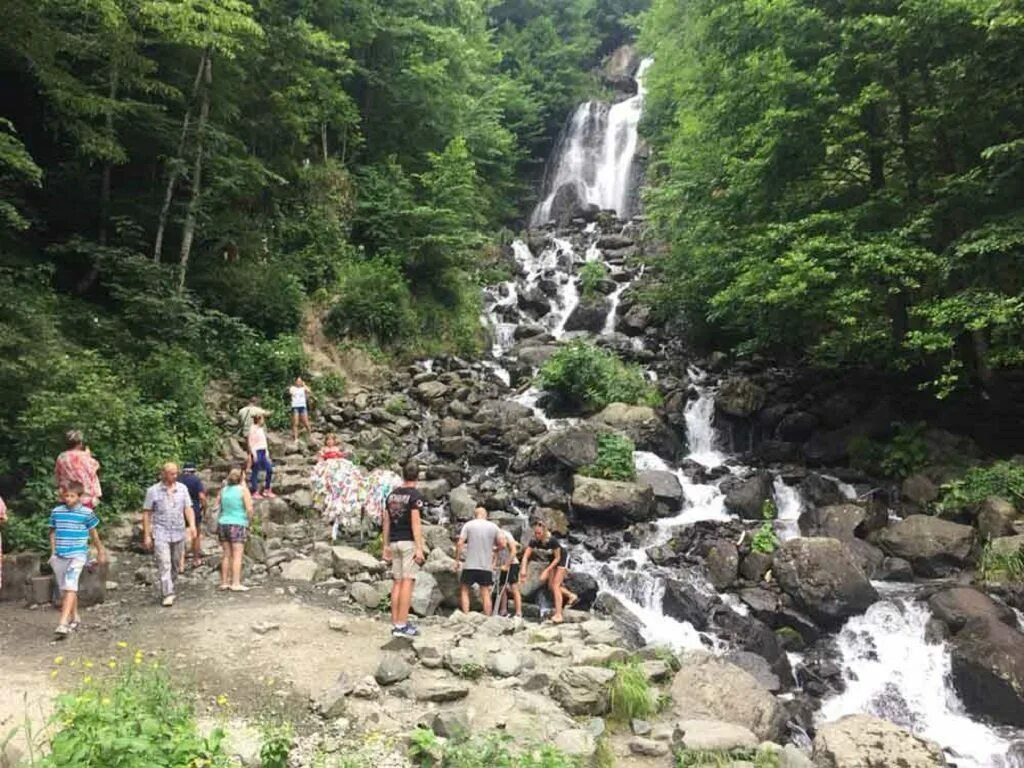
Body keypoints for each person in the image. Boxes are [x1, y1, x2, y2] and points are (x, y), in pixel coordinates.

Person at [49, 482, 107, 635]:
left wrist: (100, 550)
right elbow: (52, 532)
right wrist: (53, 551)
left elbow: (94, 533)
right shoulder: (57, 512)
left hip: (79, 553)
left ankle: (62, 622)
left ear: (80, 497)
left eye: (72, 496)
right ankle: (75, 617)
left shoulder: (86, 513)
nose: (68, 499)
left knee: (70, 584)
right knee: (67, 588)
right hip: (61, 554)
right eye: (66, 496)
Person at [142, 463, 197, 607]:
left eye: (175, 473)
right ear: (164, 474)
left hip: (178, 530)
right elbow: (147, 513)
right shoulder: (153, 491)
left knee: (176, 563)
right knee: (164, 562)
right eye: (171, 473)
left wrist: (192, 525)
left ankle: (170, 584)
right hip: (161, 531)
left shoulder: (182, 489)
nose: (175, 476)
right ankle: (168, 593)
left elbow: (188, 508)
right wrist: (147, 535)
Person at [381, 462, 425, 637]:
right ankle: (401, 624)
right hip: (408, 542)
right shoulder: (414, 496)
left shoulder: (392, 495)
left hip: (394, 541)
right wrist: (419, 548)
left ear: (403, 475)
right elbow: (416, 523)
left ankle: (395, 622)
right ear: (417, 476)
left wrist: (385, 545)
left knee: (397, 582)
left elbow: (386, 521)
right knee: (408, 581)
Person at [520, 519, 578, 624]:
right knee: (551, 586)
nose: (537, 535)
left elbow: (558, 558)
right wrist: (523, 570)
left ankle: (559, 614)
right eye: (536, 533)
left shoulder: (552, 540)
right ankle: (571, 596)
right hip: (552, 560)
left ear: (544, 532)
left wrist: (546, 570)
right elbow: (525, 556)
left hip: (562, 559)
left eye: (539, 533)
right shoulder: (534, 541)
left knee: (556, 585)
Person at [453, 507, 505, 615]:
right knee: (485, 592)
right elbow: (503, 544)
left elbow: (460, 543)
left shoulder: (469, 525)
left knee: (464, 589)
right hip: (485, 565)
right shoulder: (493, 526)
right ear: (485, 515)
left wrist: (457, 561)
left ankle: (466, 615)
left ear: (475, 515)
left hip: (470, 564)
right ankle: (487, 617)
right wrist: (496, 549)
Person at [216, 468, 253, 592]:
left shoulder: (223, 490)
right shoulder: (243, 490)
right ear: (241, 478)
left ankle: (224, 582)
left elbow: (217, 505)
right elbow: (249, 508)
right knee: (237, 554)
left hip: (223, 523)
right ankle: (235, 582)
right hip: (237, 523)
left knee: (226, 554)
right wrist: (249, 521)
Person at [54, 430, 102, 509]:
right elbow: (95, 469)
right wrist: (88, 455)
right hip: (84, 495)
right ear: (80, 443)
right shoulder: (84, 456)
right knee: (83, 518)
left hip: (67, 495)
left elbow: (57, 474)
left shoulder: (61, 457)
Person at [179, 463, 207, 570]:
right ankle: (196, 559)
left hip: (179, 510)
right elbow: (202, 497)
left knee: (180, 535)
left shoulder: (178, 479)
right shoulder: (196, 480)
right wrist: (205, 508)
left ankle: (180, 561)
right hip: (193, 509)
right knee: (196, 534)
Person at [495, 528, 522, 618]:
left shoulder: (507, 535)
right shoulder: (495, 537)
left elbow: (514, 551)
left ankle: (518, 612)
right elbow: (496, 552)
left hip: (513, 564)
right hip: (502, 565)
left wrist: (507, 565)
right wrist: (494, 565)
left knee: (514, 587)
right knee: (502, 587)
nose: (501, 546)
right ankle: (503, 610)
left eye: (501, 544)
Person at [248, 415, 275, 499]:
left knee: (269, 469)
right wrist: (254, 454)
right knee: (255, 471)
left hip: (263, 451)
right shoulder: (253, 429)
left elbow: (264, 441)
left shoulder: (261, 429)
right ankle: (255, 490)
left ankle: (267, 488)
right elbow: (251, 442)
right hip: (256, 451)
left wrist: (267, 452)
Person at [288, 376, 313, 442]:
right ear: (295, 382)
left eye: (300, 381)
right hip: (295, 406)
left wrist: (304, 385)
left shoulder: (303, 388)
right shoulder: (292, 388)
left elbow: (309, 391)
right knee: (295, 423)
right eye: (298, 381)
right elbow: (290, 392)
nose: (299, 382)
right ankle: (296, 438)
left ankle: (310, 435)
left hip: (302, 407)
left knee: (306, 422)